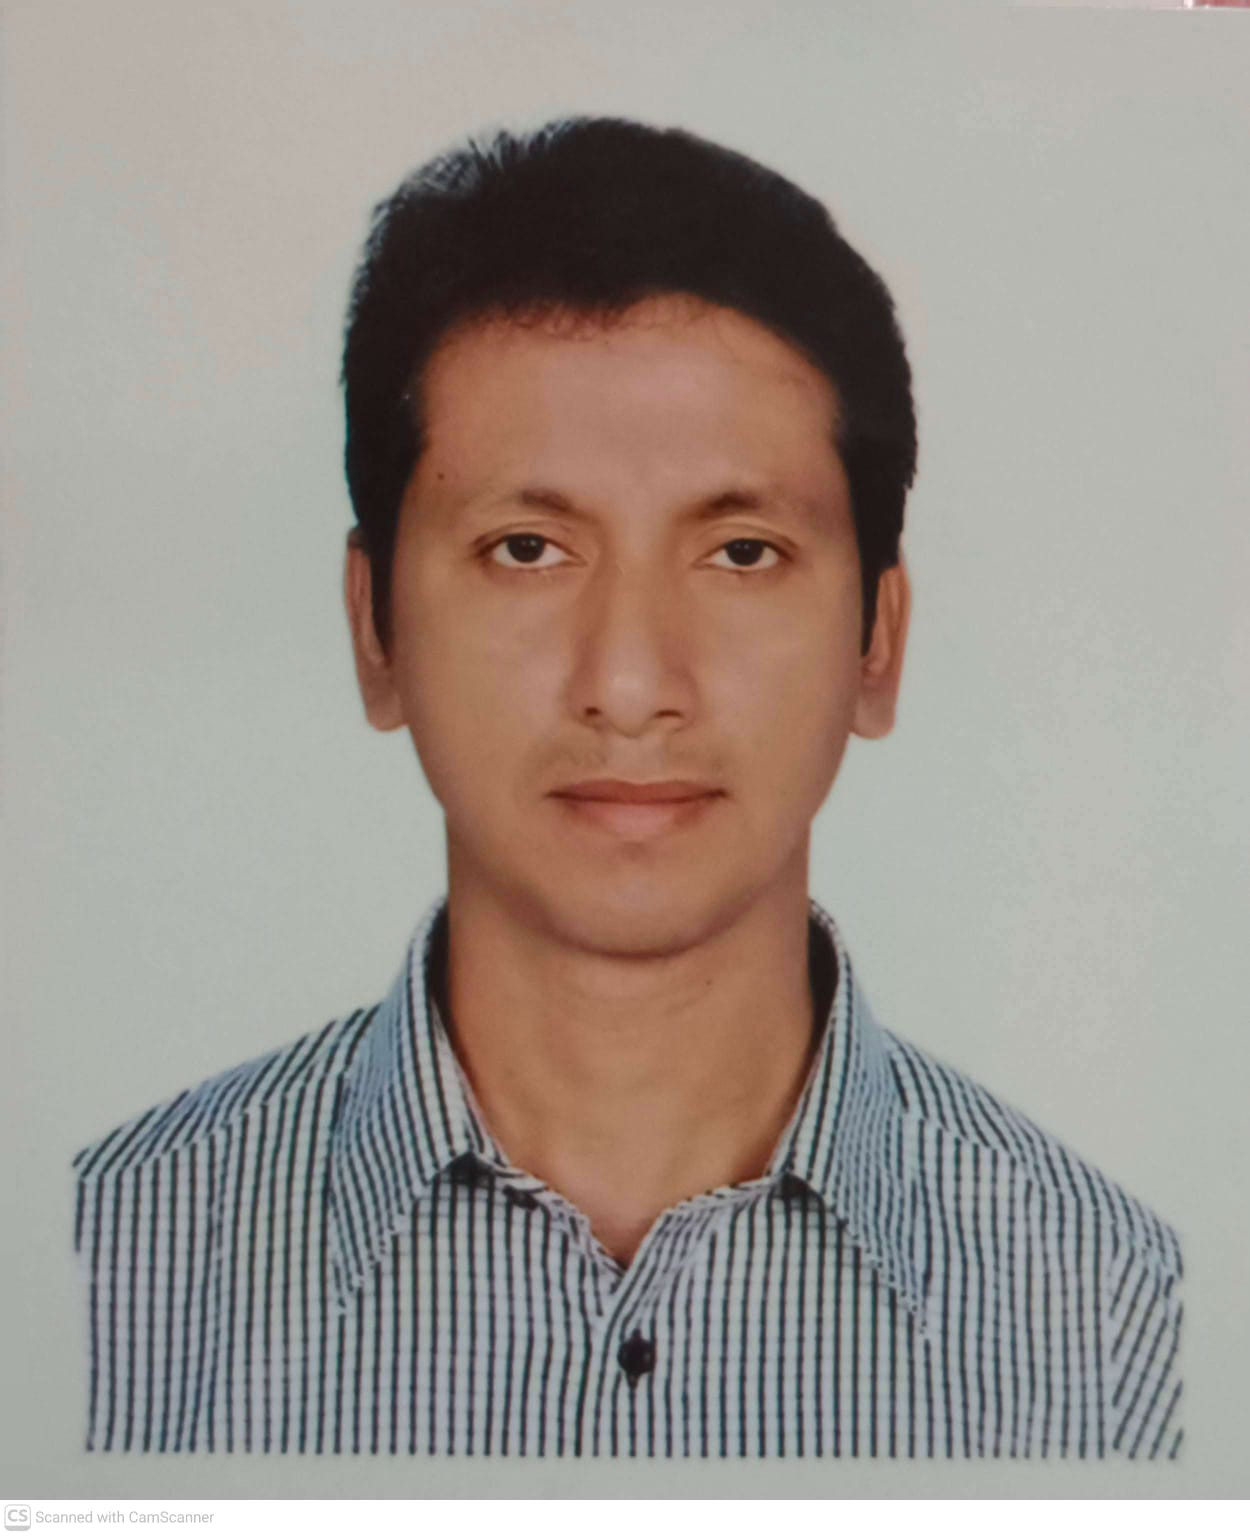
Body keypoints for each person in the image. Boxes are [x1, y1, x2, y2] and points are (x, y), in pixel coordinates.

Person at [72, 116, 1183, 1460]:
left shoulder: (1125, 1332)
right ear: (374, 630)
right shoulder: (94, 1280)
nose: (632, 682)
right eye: (527, 549)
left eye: (742, 553)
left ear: (877, 644)